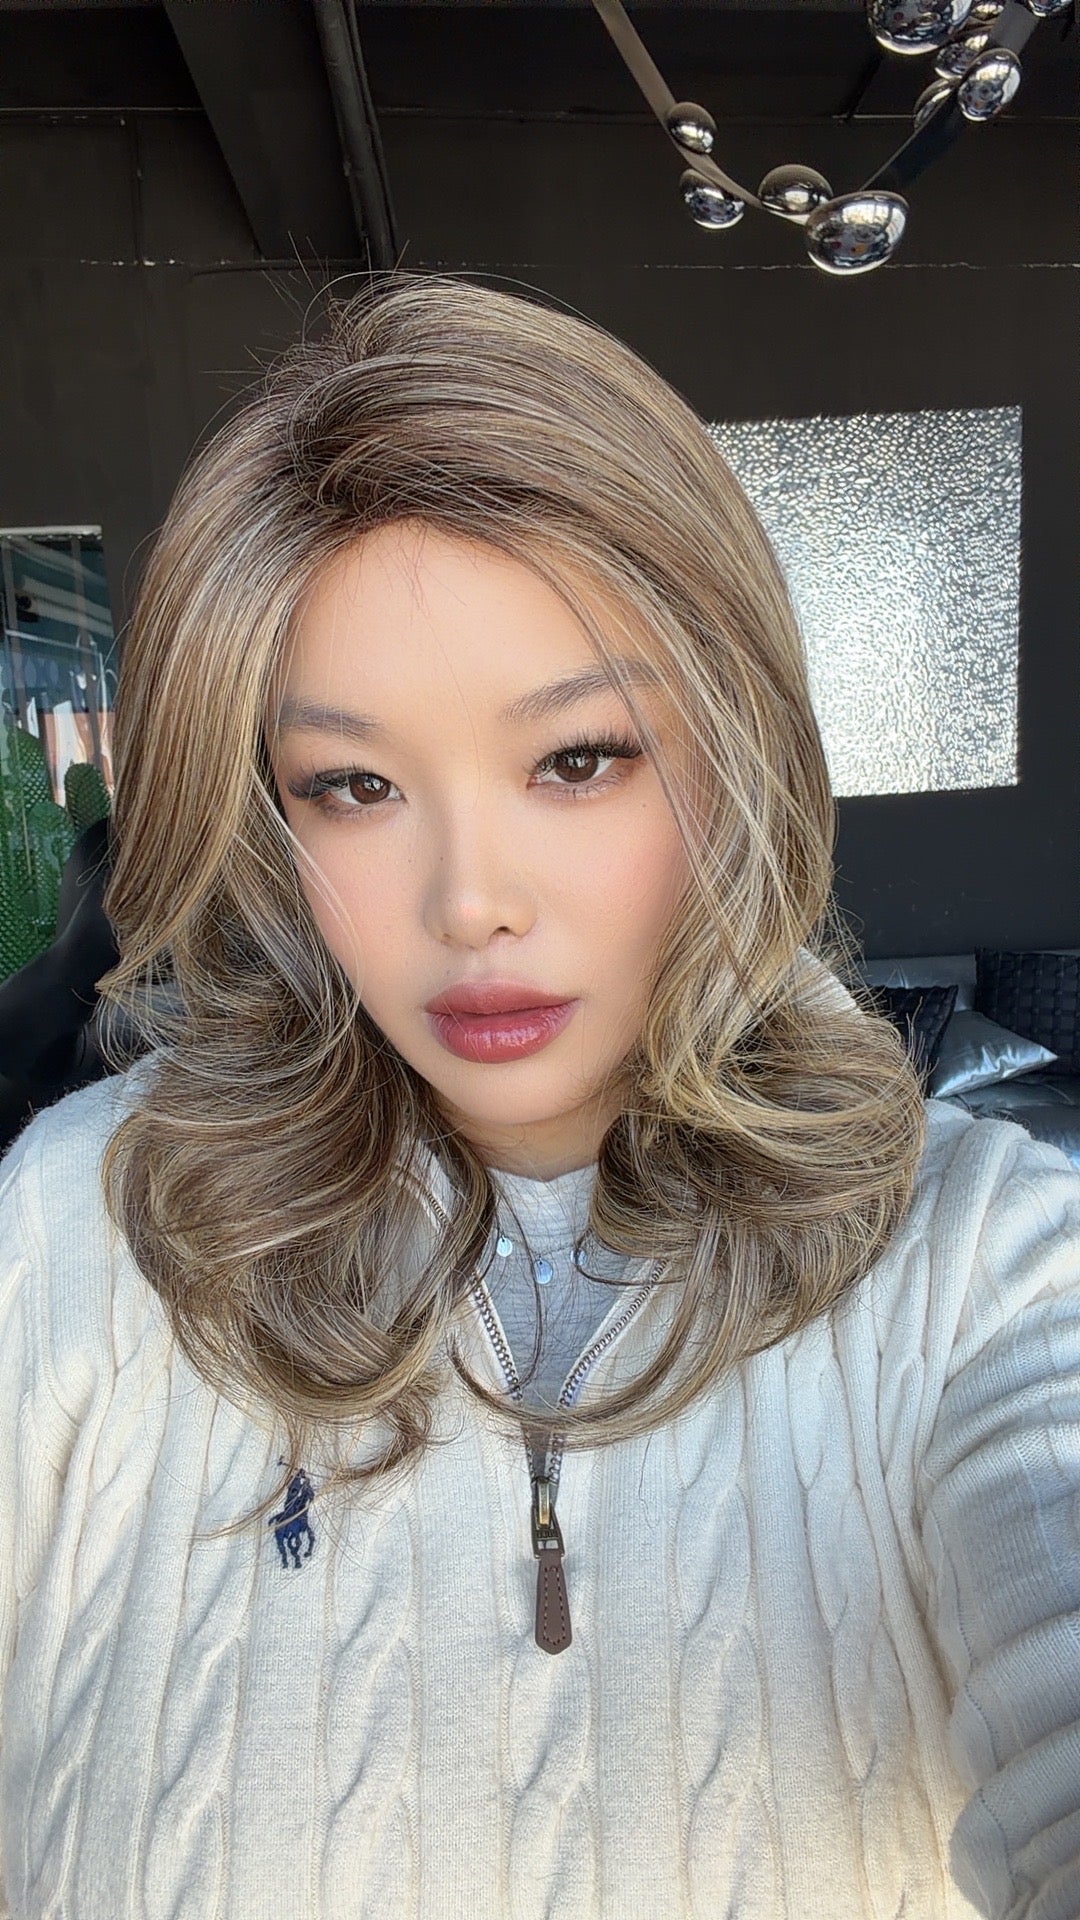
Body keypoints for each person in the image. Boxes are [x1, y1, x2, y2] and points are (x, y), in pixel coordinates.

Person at [0, 273, 1077, 1920]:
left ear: (731, 756)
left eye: (579, 759)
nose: (468, 904)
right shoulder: (87, 1223)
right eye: (353, 785)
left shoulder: (985, 1266)